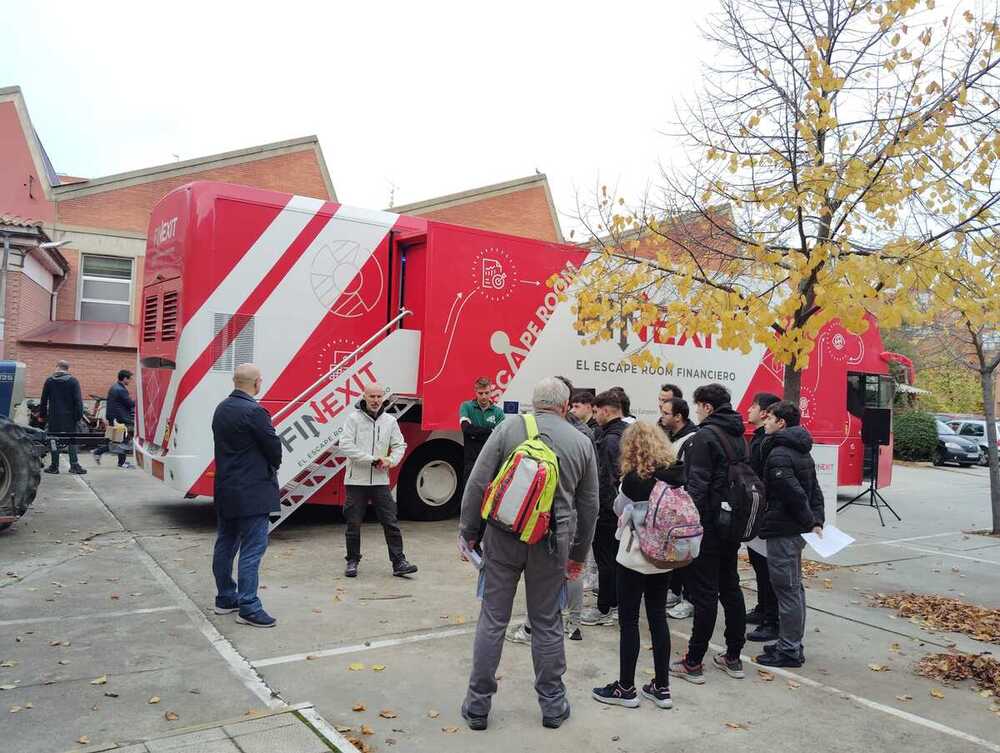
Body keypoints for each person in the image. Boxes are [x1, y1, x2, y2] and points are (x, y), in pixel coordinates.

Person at [459, 377, 598, 731]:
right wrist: (578, 554)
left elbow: (478, 482)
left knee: (493, 619)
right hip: (552, 544)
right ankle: (552, 705)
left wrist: (468, 532)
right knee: (547, 623)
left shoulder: (508, 429)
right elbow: (590, 505)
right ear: (565, 407)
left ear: (534, 403)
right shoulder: (581, 442)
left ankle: (477, 706)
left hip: (502, 537)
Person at [592, 422, 683, 710]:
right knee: (658, 617)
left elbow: (620, 509)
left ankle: (626, 687)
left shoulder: (633, 479)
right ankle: (662, 687)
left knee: (629, 620)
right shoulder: (676, 474)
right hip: (665, 556)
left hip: (635, 555)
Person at [670, 383, 747, 684]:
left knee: (704, 594)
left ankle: (693, 662)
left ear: (707, 407)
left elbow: (697, 488)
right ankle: (733, 657)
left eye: (699, 405)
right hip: (732, 524)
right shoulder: (739, 435)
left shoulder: (705, 437)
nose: (698, 411)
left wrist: (691, 527)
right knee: (730, 588)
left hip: (710, 527)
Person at [211, 364, 281, 628]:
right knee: (253, 549)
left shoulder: (221, 408)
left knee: (225, 544)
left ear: (235, 381)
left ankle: (225, 597)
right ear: (257, 383)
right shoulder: (255, 412)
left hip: (226, 489)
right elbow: (273, 448)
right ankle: (249, 606)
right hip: (252, 492)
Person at [755, 400, 825, 668]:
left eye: (770, 417)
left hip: (784, 530)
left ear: (781, 422)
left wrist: (811, 521)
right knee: (794, 589)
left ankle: (789, 650)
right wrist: (816, 519)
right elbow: (814, 491)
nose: (765, 421)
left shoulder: (780, 453)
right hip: (794, 528)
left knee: (787, 591)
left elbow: (794, 493)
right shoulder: (800, 450)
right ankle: (790, 643)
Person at [339, 384, 417, 578]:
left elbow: (400, 444)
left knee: (390, 521)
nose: (375, 400)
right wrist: (371, 460)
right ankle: (352, 560)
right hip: (356, 481)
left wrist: (390, 461)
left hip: (380, 481)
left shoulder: (390, 421)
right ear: (364, 397)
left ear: (384, 398)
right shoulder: (353, 419)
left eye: (379, 397)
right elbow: (345, 445)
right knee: (353, 523)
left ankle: (399, 562)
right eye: (371, 396)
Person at [580, 390, 627, 626]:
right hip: (621, 511)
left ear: (606, 411)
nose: (594, 416)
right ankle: (615, 605)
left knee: (607, 561)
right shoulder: (625, 433)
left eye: (596, 411)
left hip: (609, 513)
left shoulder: (610, 440)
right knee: (615, 561)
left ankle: (606, 607)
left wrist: (601, 509)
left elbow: (609, 480)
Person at [745, 392, 781, 642]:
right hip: (757, 512)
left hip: (767, 514)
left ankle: (772, 620)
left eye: (754, 406)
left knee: (769, 569)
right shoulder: (758, 438)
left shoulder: (770, 443)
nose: (749, 409)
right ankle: (762, 608)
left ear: (766, 413)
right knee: (758, 564)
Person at [658, 396, 698, 619]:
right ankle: (675, 591)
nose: (661, 416)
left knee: (686, 553)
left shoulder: (691, 440)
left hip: (683, 505)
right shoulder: (672, 436)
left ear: (678, 416)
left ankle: (689, 599)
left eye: (665, 412)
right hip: (671, 504)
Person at [40, 360, 86, 475]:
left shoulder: (49, 381)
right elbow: (78, 401)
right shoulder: (73, 381)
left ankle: (54, 466)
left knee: (54, 440)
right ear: (67, 369)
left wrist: (42, 415)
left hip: (54, 417)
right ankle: (74, 465)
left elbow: (44, 400)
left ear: (57, 367)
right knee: (71, 440)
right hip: (70, 417)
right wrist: (78, 416)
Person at [459, 377, 505, 481]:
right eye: (480, 393)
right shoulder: (466, 406)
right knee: (468, 493)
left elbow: (498, 437)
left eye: (486, 393)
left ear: (491, 392)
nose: (484, 396)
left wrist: (474, 434)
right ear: (475, 392)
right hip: (471, 461)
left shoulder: (498, 412)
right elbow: (466, 429)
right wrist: (490, 432)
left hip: (490, 461)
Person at [94, 370, 136, 469]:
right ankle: (120, 462)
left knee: (119, 440)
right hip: (120, 418)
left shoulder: (115, 387)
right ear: (125, 378)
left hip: (115, 417)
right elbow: (130, 404)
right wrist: (139, 399)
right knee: (123, 440)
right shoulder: (121, 390)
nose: (130, 381)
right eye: (129, 379)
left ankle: (99, 452)